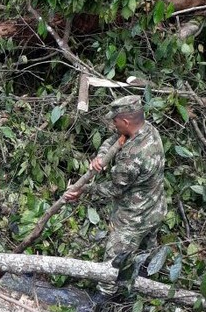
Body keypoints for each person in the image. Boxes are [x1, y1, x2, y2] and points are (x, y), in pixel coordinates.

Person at [64, 94, 166, 293]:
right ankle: (140, 291)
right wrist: (101, 156)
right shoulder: (148, 129)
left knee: (112, 267)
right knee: (145, 257)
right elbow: (115, 139)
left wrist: (82, 190)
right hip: (156, 209)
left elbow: (114, 189)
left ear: (126, 121)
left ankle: (105, 301)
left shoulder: (132, 156)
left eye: (115, 120)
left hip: (133, 220)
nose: (113, 124)